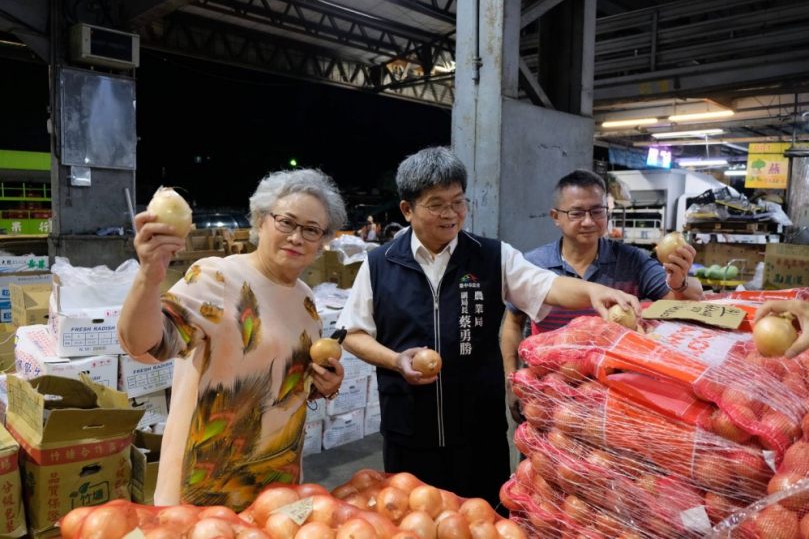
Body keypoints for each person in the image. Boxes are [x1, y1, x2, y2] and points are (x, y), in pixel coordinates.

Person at [337, 147, 640, 510]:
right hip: (409, 429)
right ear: (407, 209)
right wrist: (395, 360)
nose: (451, 214)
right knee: (414, 523)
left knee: (485, 521)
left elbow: (548, 286)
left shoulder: (492, 255)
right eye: (436, 204)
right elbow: (351, 334)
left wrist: (592, 291)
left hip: (477, 431)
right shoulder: (378, 263)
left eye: (458, 202)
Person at [118, 169, 347, 510]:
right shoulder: (217, 277)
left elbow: (279, 379)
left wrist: (322, 384)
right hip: (204, 490)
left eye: (312, 230)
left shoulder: (305, 299)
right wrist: (148, 277)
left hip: (276, 488)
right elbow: (144, 345)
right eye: (287, 222)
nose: (297, 237)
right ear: (261, 219)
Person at [500, 169, 703, 422]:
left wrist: (679, 282)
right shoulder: (533, 264)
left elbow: (683, 305)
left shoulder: (632, 261)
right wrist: (512, 381)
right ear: (556, 217)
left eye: (597, 211)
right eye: (577, 213)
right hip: (548, 389)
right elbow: (513, 323)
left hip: (614, 396)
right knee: (544, 458)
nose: (588, 221)